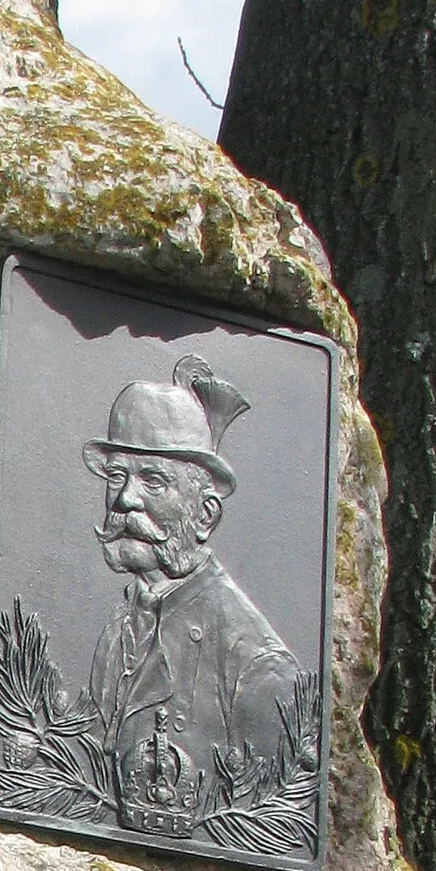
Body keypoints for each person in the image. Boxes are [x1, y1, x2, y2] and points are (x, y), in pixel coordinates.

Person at [82, 353, 303, 840]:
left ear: (205, 516)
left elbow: (271, 828)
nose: (125, 500)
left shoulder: (258, 667)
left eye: (153, 481)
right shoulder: (125, 622)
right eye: (117, 476)